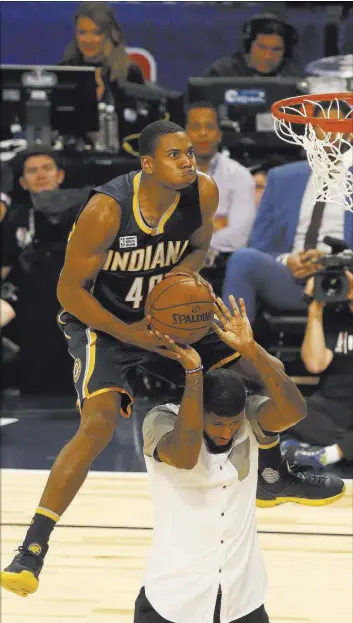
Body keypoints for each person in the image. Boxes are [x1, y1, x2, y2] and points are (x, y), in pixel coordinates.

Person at [0, 120, 344, 599]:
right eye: (175, 155)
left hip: (172, 318)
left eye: (190, 153)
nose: (189, 161)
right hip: (107, 321)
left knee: (271, 371)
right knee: (98, 424)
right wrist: (131, 330)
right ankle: (33, 546)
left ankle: (272, 472)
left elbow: (200, 247)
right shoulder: (106, 210)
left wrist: (176, 283)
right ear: (147, 164)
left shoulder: (202, 192)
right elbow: (68, 293)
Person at [134, 296, 339, 623]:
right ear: (200, 412)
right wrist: (194, 374)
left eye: (233, 423)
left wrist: (250, 349)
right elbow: (185, 457)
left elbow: (294, 411)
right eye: (217, 423)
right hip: (173, 599)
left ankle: (277, 479)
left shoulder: (247, 420)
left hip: (242, 599)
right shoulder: (161, 422)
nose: (227, 432)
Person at [223, 102, 353, 324]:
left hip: (346, 280)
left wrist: (332, 261)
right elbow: (259, 244)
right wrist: (287, 260)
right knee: (244, 259)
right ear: (311, 133)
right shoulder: (280, 178)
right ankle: (230, 353)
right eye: (322, 126)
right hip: (291, 279)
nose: (331, 133)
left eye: (337, 125)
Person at [1, 146, 90, 394]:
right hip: (31, 310)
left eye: (46, 168)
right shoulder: (14, 218)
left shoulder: (86, 210)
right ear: (22, 181)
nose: (40, 175)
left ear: (60, 176)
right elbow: (7, 265)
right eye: (32, 171)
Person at [281, 272, 353, 469]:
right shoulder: (336, 317)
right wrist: (315, 309)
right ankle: (295, 447)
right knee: (274, 403)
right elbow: (315, 364)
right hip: (328, 412)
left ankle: (327, 454)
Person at [185, 102, 256, 296]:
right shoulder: (166, 175)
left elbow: (239, 237)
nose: (203, 134)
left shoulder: (239, 175)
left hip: (220, 268)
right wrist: (214, 224)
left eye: (209, 127)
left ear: (219, 134)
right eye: (195, 127)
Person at [60, 1, 144, 105]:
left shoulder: (130, 73)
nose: (88, 40)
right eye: (82, 32)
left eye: (96, 33)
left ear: (110, 35)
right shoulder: (64, 72)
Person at [205, 13, 302, 78]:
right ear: (249, 46)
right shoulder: (223, 72)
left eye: (276, 50)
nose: (268, 56)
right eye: (261, 47)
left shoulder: (293, 76)